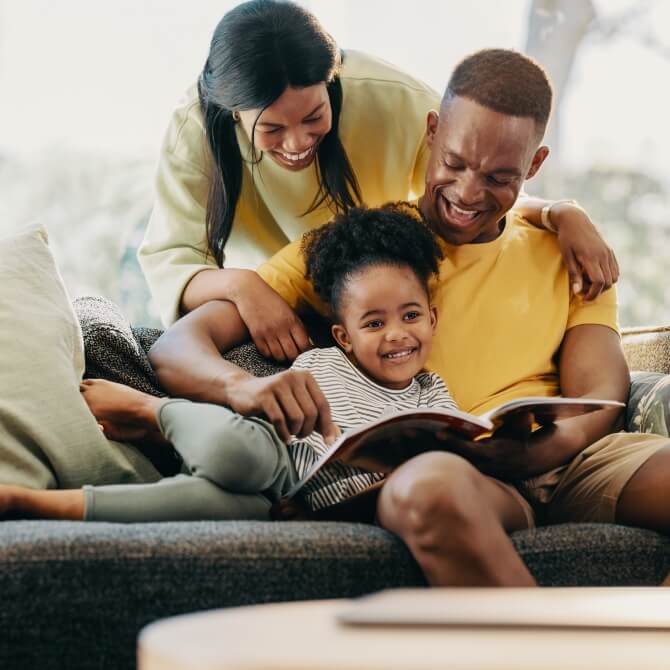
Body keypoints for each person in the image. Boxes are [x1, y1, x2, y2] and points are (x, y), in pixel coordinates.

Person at [139, 48, 670, 586]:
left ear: (533, 167)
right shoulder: (363, 249)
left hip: (572, 459)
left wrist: (545, 450)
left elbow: (600, 390)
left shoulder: (565, 249)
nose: (467, 193)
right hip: (462, 477)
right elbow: (176, 347)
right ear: (433, 133)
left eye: (498, 178)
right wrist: (238, 387)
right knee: (424, 489)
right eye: (455, 164)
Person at [139, 0, 618, 364]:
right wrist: (246, 288)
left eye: (313, 117)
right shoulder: (196, 128)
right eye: (271, 129)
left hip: (376, 307)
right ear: (233, 113)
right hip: (278, 301)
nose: (297, 143)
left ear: (332, 80)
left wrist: (561, 213)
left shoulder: (395, 100)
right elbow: (173, 259)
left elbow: (471, 192)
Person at [0, 205, 458, 521]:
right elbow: (284, 435)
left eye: (411, 316)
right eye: (374, 324)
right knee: (244, 456)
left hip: (277, 503)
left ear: (433, 321)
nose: (396, 334)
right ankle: (150, 412)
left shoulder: (433, 392)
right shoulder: (322, 364)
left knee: (215, 507)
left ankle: (32, 505)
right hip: (274, 464)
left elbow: (453, 466)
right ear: (345, 337)